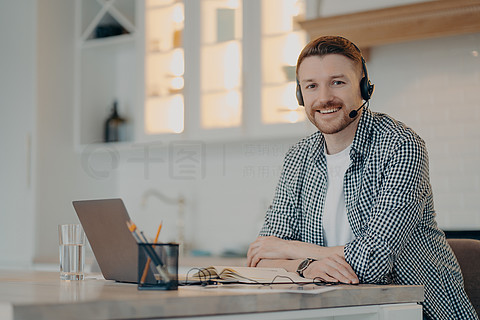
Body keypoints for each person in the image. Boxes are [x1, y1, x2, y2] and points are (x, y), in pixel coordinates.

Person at [247, 36, 478, 320]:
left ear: (363, 87)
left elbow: (373, 261)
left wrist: (290, 250)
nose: (323, 98)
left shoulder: (400, 145)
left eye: (338, 82)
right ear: (300, 95)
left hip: (416, 311)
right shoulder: (299, 157)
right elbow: (260, 261)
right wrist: (307, 266)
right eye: (311, 86)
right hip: (339, 310)